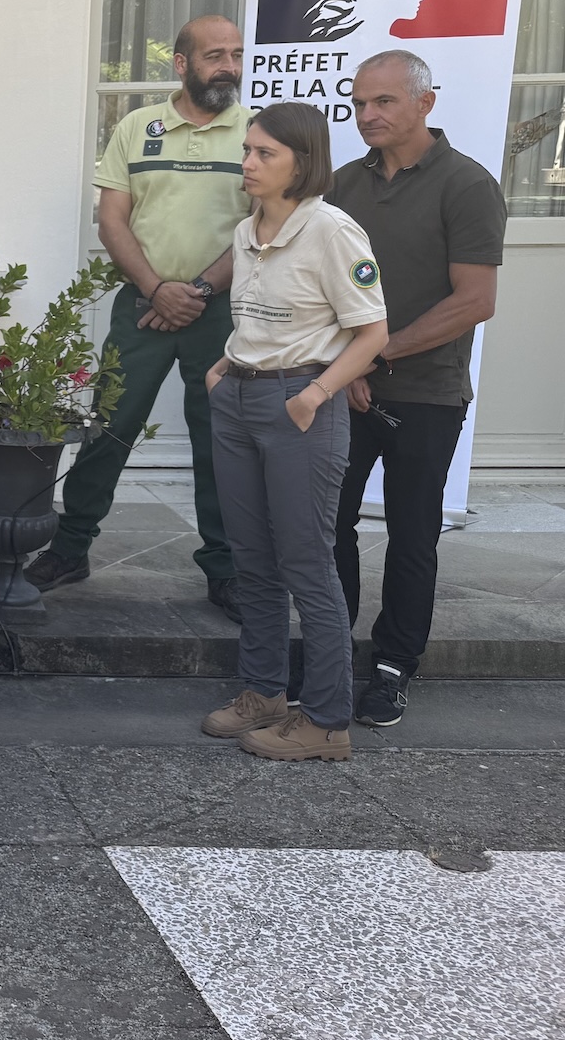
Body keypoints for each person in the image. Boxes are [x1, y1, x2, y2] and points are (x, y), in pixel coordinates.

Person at [26, 15, 250, 621]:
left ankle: (225, 567)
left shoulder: (255, 131)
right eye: (213, 56)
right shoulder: (136, 127)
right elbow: (112, 221)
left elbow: (264, 228)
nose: (227, 66)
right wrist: (156, 288)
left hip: (222, 311)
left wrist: (198, 290)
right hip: (143, 307)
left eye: (234, 54)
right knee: (109, 427)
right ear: (181, 64)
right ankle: (71, 548)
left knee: (220, 441)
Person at [201, 102, 387, 762]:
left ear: (302, 163)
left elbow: (373, 333)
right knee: (250, 558)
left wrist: (314, 393)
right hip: (241, 400)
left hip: (299, 407)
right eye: (247, 151)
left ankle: (329, 723)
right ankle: (264, 693)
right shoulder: (246, 230)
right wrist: (225, 364)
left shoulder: (333, 231)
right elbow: (261, 319)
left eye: (264, 154)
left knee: (307, 564)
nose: (247, 163)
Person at [327, 51, 506, 727]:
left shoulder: (466, 185)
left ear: (425, 104)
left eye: (383, 102)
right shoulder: (345, 185)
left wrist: (375, 357)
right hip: (349, 388)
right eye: (358, 101)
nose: (366, 114)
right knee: (328, 527)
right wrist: (344, 365)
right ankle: (328, 651)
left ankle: (394, 667)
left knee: (411, 535)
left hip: (426, 395)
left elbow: (475, 300)